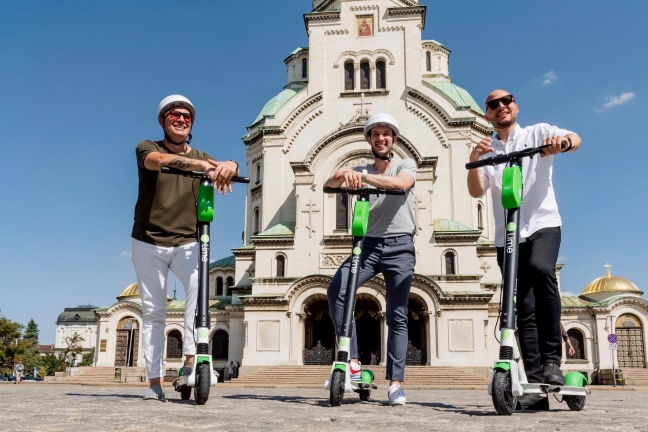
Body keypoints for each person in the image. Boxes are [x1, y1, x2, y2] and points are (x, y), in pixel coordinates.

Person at [467, 90, 581, 409]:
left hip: (543, 223)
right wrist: (476, 160)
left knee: (542, 269)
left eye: (506, 101)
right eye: (493, 105)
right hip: (508, 236)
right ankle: (533, 383)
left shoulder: (536, 133)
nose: (501, 106)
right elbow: (476, 189)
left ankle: (551, 363)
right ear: (487, 114)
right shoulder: (488, 150)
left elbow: (575, 137)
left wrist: (563, 144)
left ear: (515, 106)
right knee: (522, 306)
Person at [131, 95, 240, 401]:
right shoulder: (147, 147)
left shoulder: (204, 155)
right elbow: (159, 162)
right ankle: (154, 383)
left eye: (187, 116)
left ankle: (192, 364)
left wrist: (229, 164)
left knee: (198, 299)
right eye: (174, 115)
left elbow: (225, 165)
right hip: (147, 240)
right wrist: (203, 165)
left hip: (189, 242)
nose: (181, 120)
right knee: (154, 313)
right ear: (162, 120)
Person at [324, 113, 416, 406]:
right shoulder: (360, 167)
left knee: (398, 313)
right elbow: (328, 186)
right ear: (369, 139)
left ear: (394, 139)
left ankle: (395, 384)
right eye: (375, 134)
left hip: (400, 244)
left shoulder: (405, 163)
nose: (381, 138)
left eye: (386, 133)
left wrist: (361, 177)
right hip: (366, 245)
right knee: (337, 291)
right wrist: (341, 174)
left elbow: (402, 184)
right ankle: (351, 360)